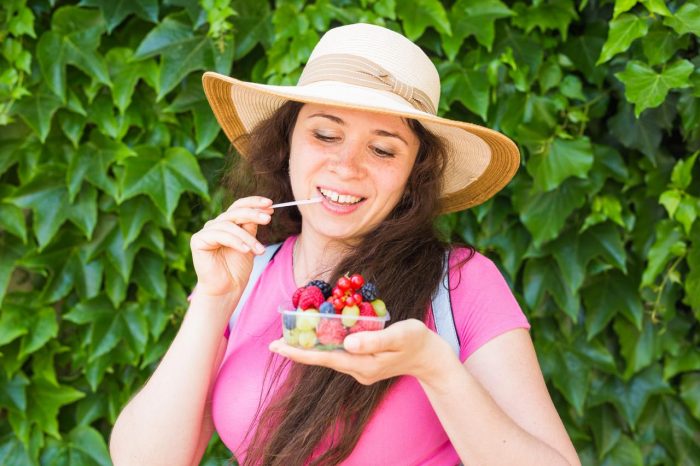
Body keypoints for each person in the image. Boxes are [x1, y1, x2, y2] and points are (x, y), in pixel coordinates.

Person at [109, 23, 580, 466]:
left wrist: (437, 369)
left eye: (382, 149)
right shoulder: (242, 275)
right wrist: (212, 301)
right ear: (287, 143)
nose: (347, 166)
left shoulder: (460, 283)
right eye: (326, 134)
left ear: (414, 174)